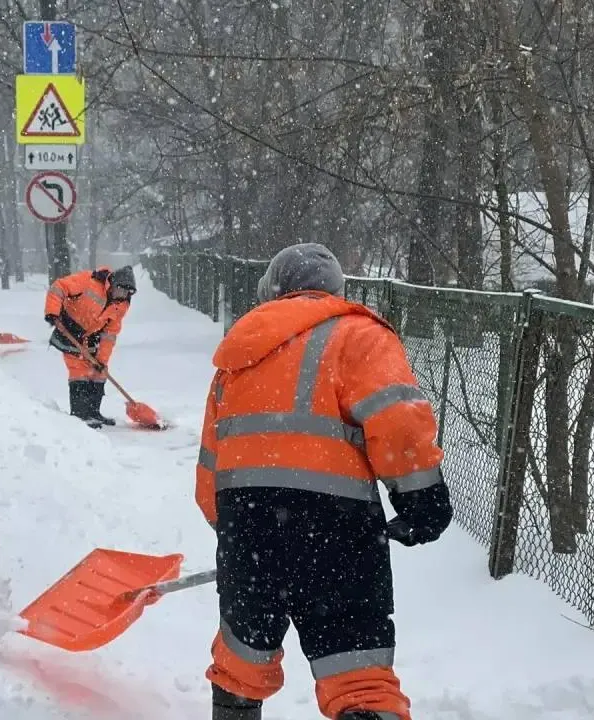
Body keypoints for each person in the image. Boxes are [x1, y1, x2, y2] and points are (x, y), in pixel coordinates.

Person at [194, 243, 453, 720]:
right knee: (355, 664)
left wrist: (239, 538)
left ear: (272, 290)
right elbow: (396, 420)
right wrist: (422, 499)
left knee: (242, 654)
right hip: (336, 525)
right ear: (335, 289)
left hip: (246, 521)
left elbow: (212, 460)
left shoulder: (239, 349)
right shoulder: (360, 336)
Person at [43, 265, 137, 428]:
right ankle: (80, 415)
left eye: (127, 293)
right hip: (69, 329)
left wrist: (102, 361)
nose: (122, 295)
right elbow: (59, 286)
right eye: (121, 290)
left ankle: (93, 412)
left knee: (99, 372)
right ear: (113, 283)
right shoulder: (89, 281)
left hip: (92, 337)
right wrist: (52, 312)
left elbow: (110, 333)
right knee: (79, 371)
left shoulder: (122, 304)